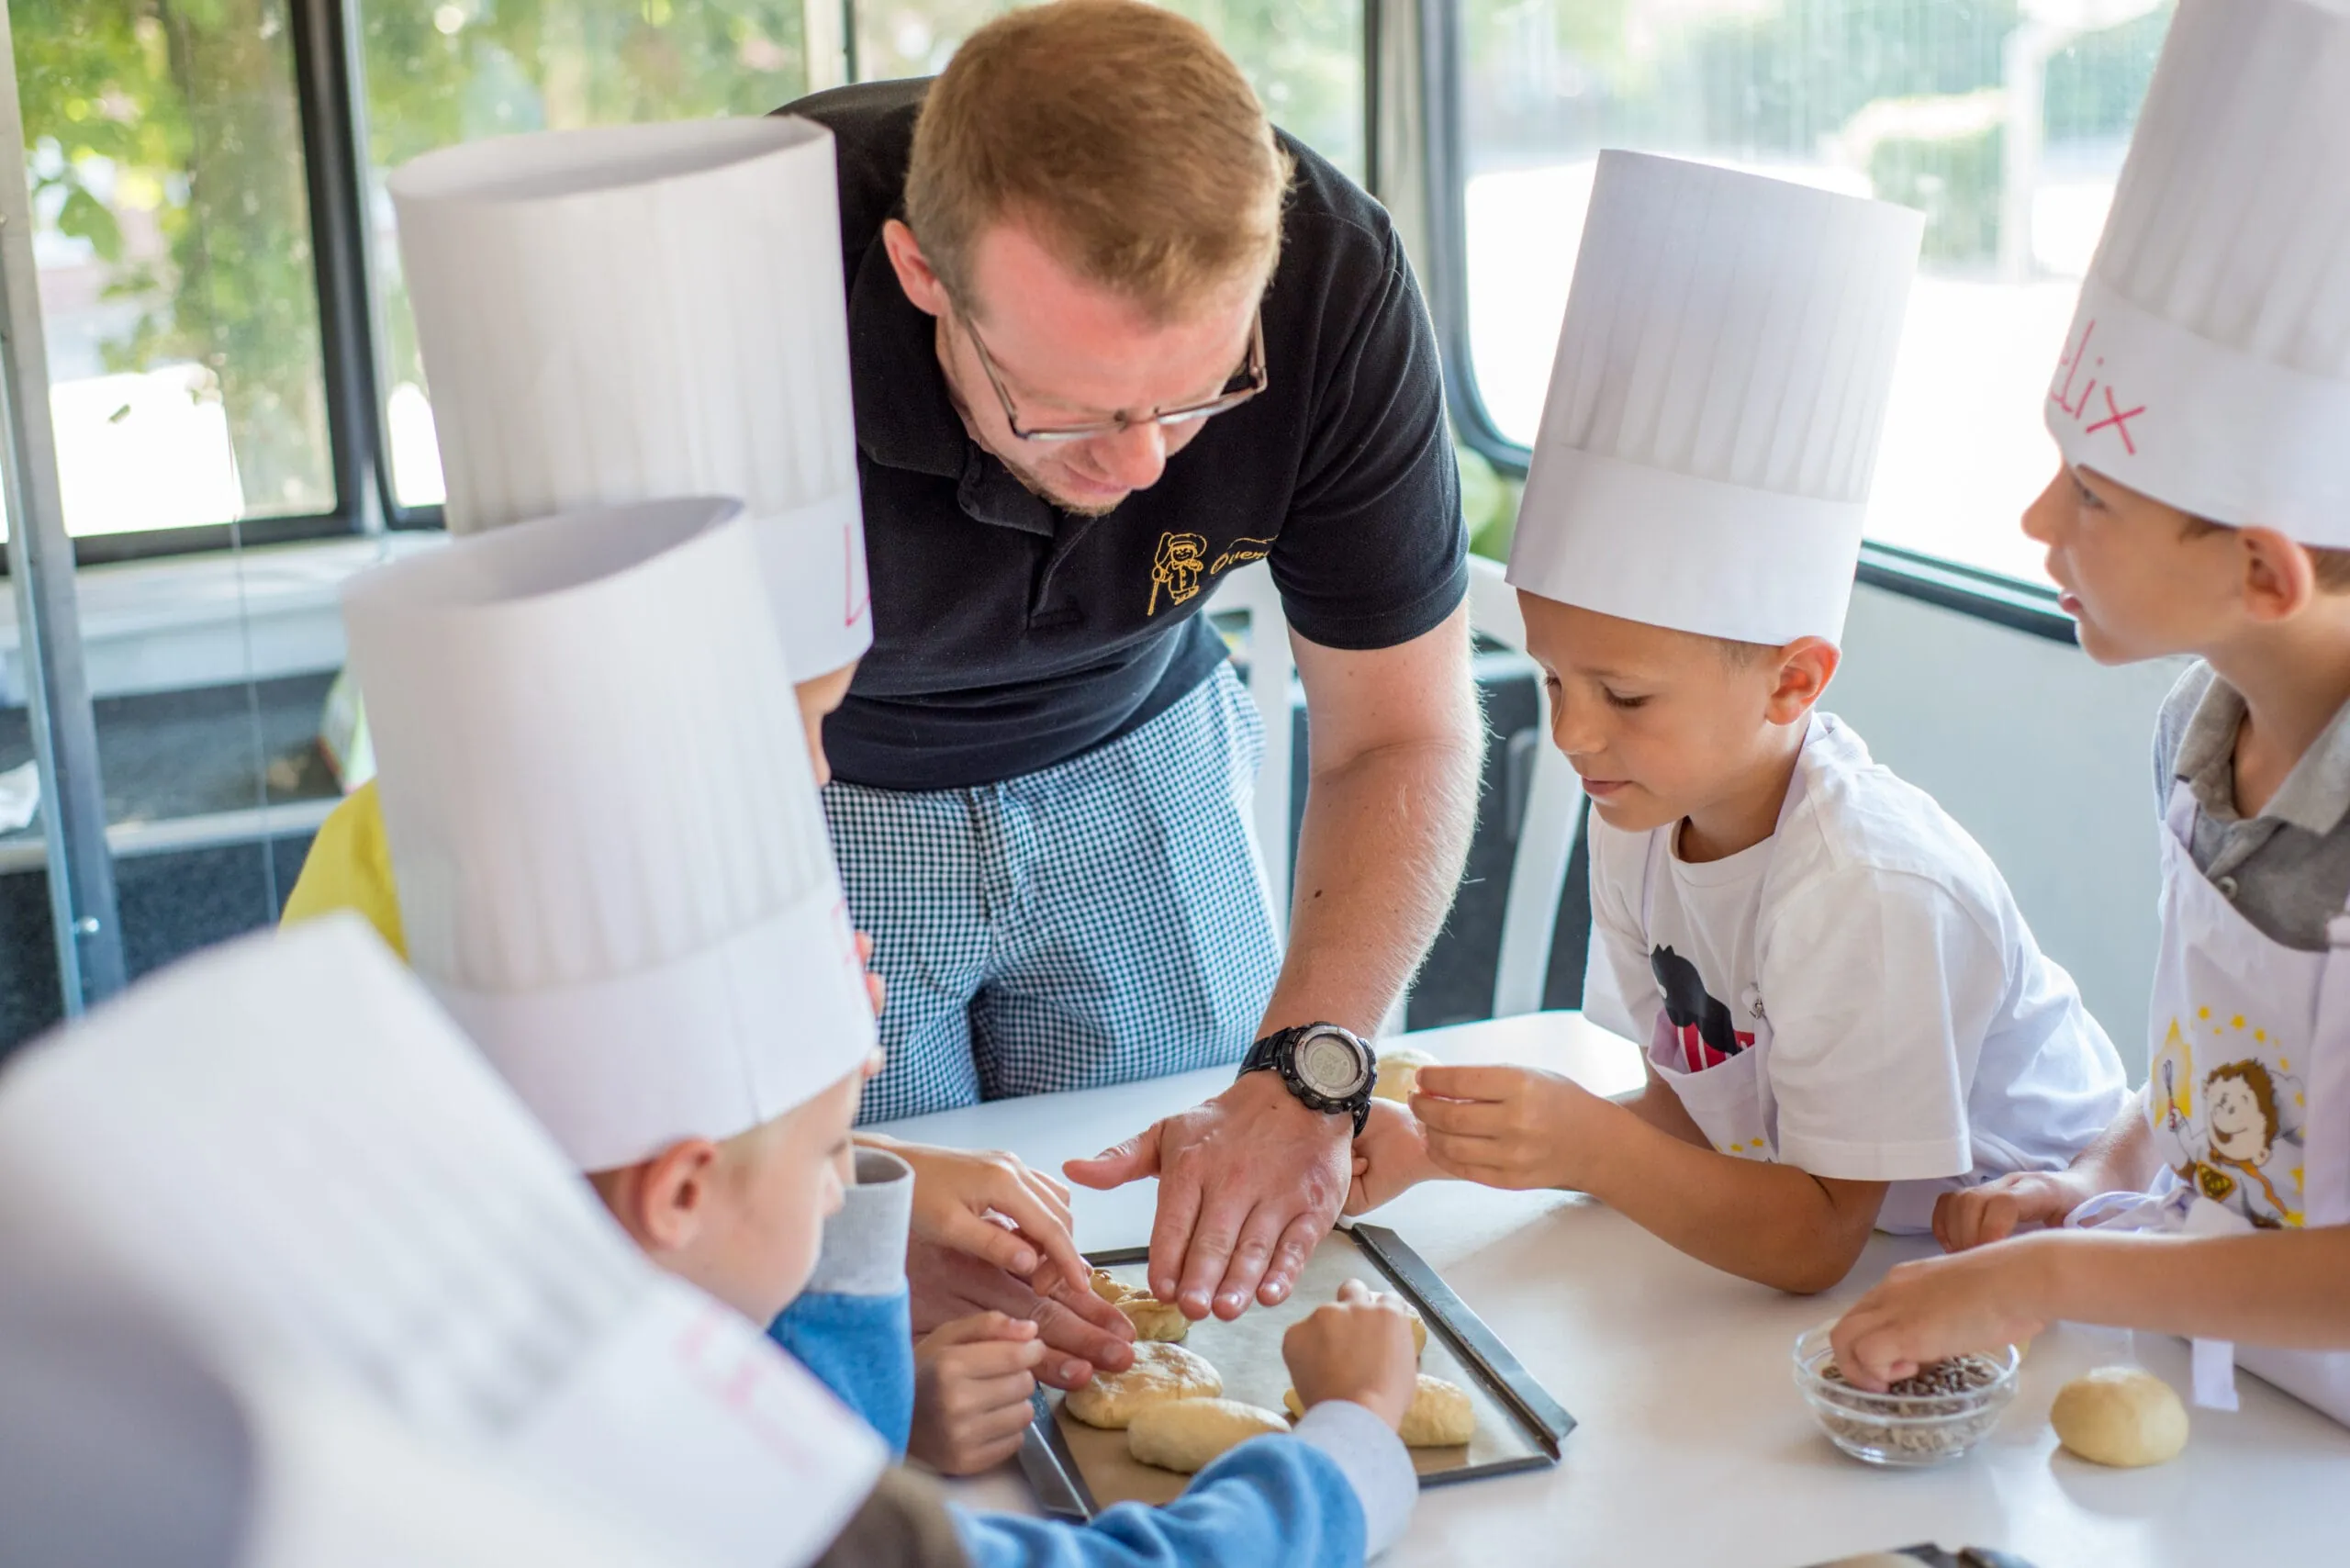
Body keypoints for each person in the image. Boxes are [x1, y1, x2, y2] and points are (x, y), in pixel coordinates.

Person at [332, 505, 1427, 1564]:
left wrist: (886, 1408)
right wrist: (1346, 1443)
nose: (857, 1179)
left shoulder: (526, 1373)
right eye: (836, 1163)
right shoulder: (736, 1517)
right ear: (676, 1189)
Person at [780, 0, 1482, 1326]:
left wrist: (1310, 1070)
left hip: (1141, 751)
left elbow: (1403, 730)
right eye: (1070, 407)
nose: (1140, 464)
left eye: (1192, 394)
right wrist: (820, 1167)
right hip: (817, 783)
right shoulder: (750, 284)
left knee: (1198, 1268)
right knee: (886, 1295)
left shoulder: (1332, 277)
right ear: (923, 273)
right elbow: (665, 754)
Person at [1345, 151, 2128, 1294]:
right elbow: (1698, 1121)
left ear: (1791, 683)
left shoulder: (1866, 887)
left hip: (2039, 1262)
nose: (1569, 734)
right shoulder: (1644, 813)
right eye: (1555, 680)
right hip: (1862, 1253)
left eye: (1624, 694)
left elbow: (1813, 1237)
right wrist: (1437, 1150)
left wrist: (1583, 1142)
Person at [1830, 0, 2350, 1425]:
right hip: (2240, 1396)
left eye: (2095, 497)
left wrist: (2053, 1276)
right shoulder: (2206, 728)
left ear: (2261, 569)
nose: (2036, 517)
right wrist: (2109, 1182)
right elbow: (2219, 1084)